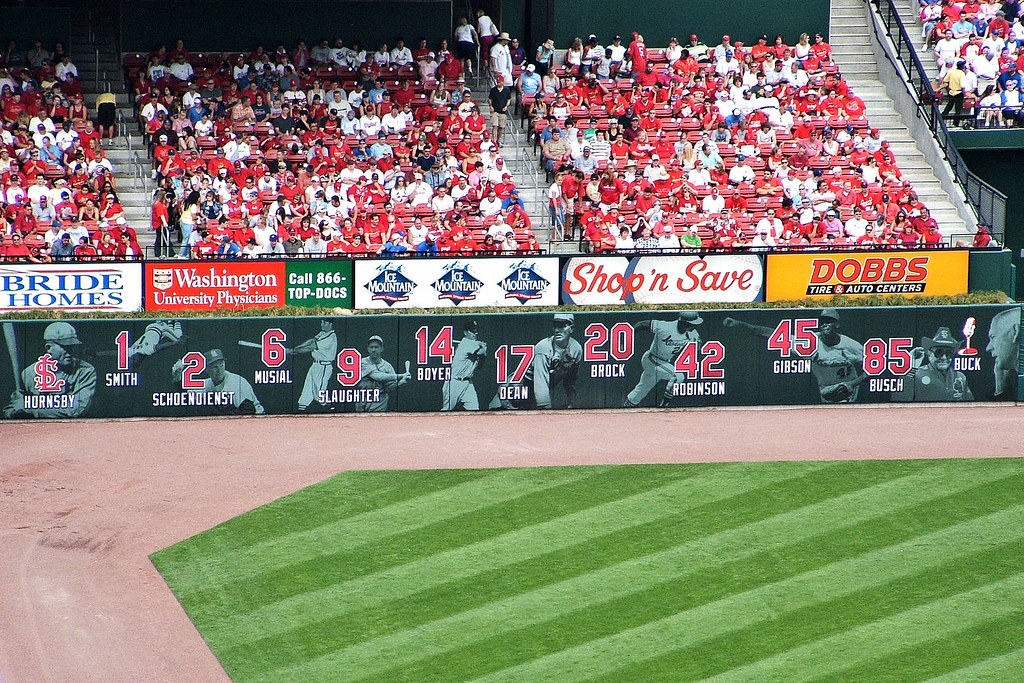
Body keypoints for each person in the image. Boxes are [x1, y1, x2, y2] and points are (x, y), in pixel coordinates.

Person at [723, 308, 865, 403]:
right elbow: (771, 334)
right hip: (825, 391)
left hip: (849, 391)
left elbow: (875, 368)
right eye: (822, 321)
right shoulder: (808, 343)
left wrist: (852, 384)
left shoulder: (851, 345)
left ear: (837, 325)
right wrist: (740, 324)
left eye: (829, 321)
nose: (825, 324)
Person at [490, 313, 583, 410]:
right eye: (555, 326)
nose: (557, 330)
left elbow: (571, 381)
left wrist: (572, 403)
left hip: (531, 395)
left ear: (571, 329)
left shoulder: (576, 349)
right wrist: (546, 410)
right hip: (513, 392)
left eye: (562, 326)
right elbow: (541, 384)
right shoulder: (544, 348)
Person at [4, 322, 97, 418]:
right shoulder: (29, 373)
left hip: (72, 429)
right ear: (48, 347)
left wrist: (30, 410)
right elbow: (9, 410)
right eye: (64, 347)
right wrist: (14, 411)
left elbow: (76, 410)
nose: (70, 351)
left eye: (72, 346)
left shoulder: (84, 371)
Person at [623, 311, 704, 408]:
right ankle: (664, 406)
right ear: (685, 323)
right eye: (693, 324)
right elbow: (641, 324)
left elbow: (698, 344)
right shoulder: (666, 327)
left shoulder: (692, 333)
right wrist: (627, 340)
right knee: (678, 376)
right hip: (652, 359)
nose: (694, 326)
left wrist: (697, 345)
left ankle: (624, 409)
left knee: (640, 392)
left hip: (663, 364)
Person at [172, 348, 264, 414]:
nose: (219, 370)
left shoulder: (237, 384)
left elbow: (248, 411)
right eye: (215, 367)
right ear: (207, 369)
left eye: (221, 365)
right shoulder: (208, 384)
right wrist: (177, 378)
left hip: (257, 419)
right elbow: (185, 395)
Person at [896, 327, 974, 401]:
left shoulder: (960, 377)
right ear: (929, 353)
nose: (944, 357)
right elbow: (899, 399)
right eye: (939, 352)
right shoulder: (916, 374)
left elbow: (971, 405)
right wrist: (912, 367)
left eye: (948, 353)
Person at [355, 334, 411, 412]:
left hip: (379, 401)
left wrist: (401, 382)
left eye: (376, 347)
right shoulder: (362, 362)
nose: (373, 350)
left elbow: (389, 388)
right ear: (368, 349)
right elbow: (379, 377)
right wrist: (401, 375)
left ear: (382, 349)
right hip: (363, 399)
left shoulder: (387, 366)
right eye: (371, 347)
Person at [441, 319, 488, 411]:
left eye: (476, 330)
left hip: (467, 383)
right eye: (472, 331)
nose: (475, 333)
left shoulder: (472, 344)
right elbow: (482, 352)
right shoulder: (466, 343)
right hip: (454, 382)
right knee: (446, 411)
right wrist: (483, 346)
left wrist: (482, 349)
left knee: (474, 410)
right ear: (465, 332)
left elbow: (480, 366)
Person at [293, 320, 338, 412]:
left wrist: (294, 351)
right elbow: (312, 340)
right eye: (322, 322)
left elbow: (311, 346)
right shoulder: (323, 333)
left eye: (325, 323)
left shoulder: (331, 336)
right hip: (315, 364)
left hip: (324, 366)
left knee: (320, 391)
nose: (322, 324)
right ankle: (302, 407)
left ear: (330, 324)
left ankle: (331, 408)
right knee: (308, 387)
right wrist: (296, 348)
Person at [986, 308, 1020, 399]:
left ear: (1015, 332)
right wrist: (1001, 387)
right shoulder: (1011, 380)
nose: (988, 348)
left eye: (993, 337)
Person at [487, 78, 512, 145]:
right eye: (497, 82)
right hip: (495, 110)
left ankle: (499, 140)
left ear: (503, 82)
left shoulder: (506, 90)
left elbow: (508, 99)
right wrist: (491, 106)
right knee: (495, 125)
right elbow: (490, 99)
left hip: (503, 111)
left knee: (501, 127)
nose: (498, 83)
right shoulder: (493, 90)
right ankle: (494, 141)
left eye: (500, 82)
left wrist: (506, 106)